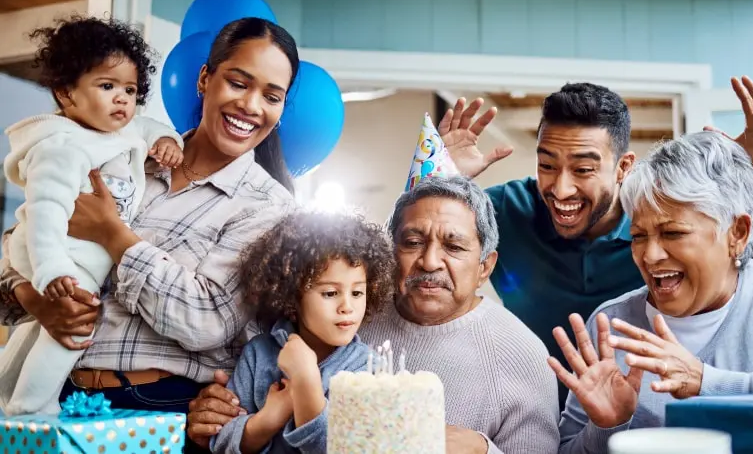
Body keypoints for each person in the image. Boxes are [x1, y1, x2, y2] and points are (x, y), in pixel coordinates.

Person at [0, 15, 296, 442]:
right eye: (238, 82)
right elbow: (25, 241)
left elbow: (206, 320)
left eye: (272, 96)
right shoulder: (127, 151)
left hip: (160, 408)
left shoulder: (268, 207)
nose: (251, 106)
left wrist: (113, 235)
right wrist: (36, 297)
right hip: (56, 399)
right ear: (204, 79)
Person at [437, 79, 753, 406]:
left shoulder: (664, 215)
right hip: (537, 417)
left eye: (583, 169)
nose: (561, 187)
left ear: (623, 167)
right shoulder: (508, 209)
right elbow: (416, 252)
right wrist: (438, 177)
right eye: (547, 166)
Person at [187, 176, 561, 454]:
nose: (429, 260)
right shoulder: (352, 319)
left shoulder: (522, 354)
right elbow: (229, 418)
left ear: (485, 266)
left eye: (454, 246)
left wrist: (481, 449)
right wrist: (218, 414)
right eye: (412, 242)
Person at [548, 130, 753, 454]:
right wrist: (607, 426)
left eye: (673, 232)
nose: (650, 255)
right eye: (638, 236)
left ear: (738, 233)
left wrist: (705, 381)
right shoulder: (610, 326)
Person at [0, 15, 184, 416]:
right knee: (72, 333)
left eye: (130, 90)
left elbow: (144, 126)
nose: (122, 99)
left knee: (33, 332)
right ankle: (33, 409)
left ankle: (7, 396)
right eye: (107, 86)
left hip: (77, 252)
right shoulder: (62, 148)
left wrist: (167, 140)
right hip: (61, 255)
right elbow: (45, 211)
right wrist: (51, 270)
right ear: (66, 94)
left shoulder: (117, 129)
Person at [210, 211, 394, 454]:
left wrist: (306, 382)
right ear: (291, 296)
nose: (347, 306)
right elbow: (221, 442)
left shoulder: (370, 369)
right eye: (330, 293)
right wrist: (268, 419)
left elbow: (346, 449)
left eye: (357, 293)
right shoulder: (258, 353)